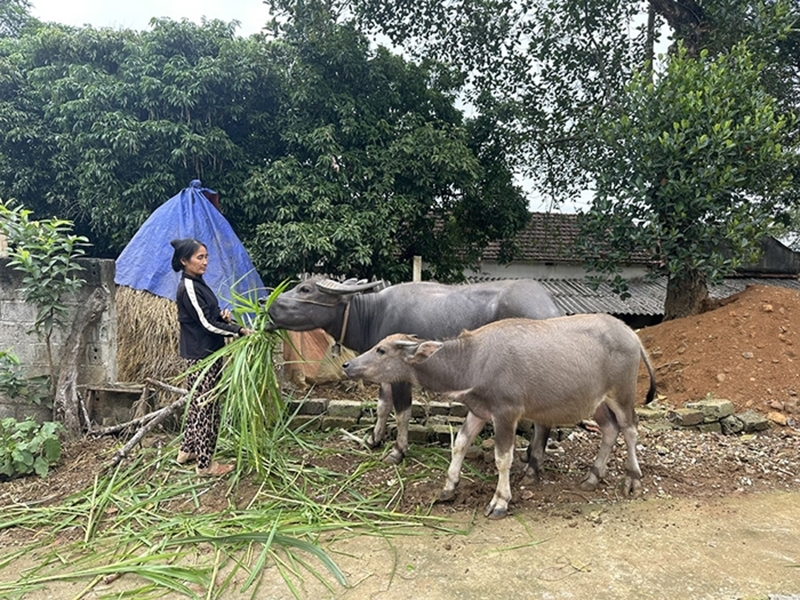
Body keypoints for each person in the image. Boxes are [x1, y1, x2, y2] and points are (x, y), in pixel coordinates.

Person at [170, 238, 253, 476]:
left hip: (207, 352)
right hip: (201, 356)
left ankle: (187, 450)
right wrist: (238, 330)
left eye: (206, 257)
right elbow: (206, 324)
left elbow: (209, 314)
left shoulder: (198, 282)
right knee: (206, 408)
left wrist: (222, 315)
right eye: (200, 257)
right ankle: (206, 465)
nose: (205, 262)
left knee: (196, 404)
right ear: (184, 261)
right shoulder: (188, 287)